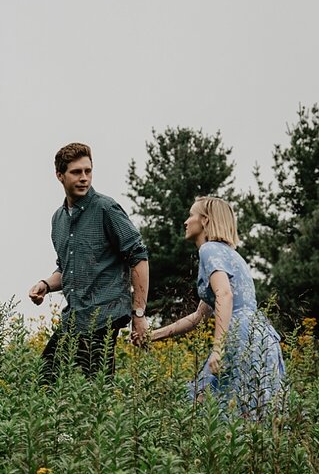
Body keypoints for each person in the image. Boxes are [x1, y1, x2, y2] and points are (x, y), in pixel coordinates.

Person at [150, 196, 285, 418]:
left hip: (240, 333)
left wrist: (218, 349)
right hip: (258, 332)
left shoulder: (209, 250)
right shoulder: (230, 254)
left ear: (205, 221)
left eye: (191, 215)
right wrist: (152, 335)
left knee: (205, 401)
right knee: (246, 405)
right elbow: (198, 317)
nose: (186, 221)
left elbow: (224, 294)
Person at [29, 142, 150, 383]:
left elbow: (139, 258)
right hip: (75, 316)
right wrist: (45, 284)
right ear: (59, 176)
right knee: (45, 381)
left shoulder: (106, 208)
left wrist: (139, 314)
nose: (84, 178)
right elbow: (67, 270)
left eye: (88, 171)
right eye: (76, 172)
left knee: (97, 388)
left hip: (104, 314)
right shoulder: (58, 219)